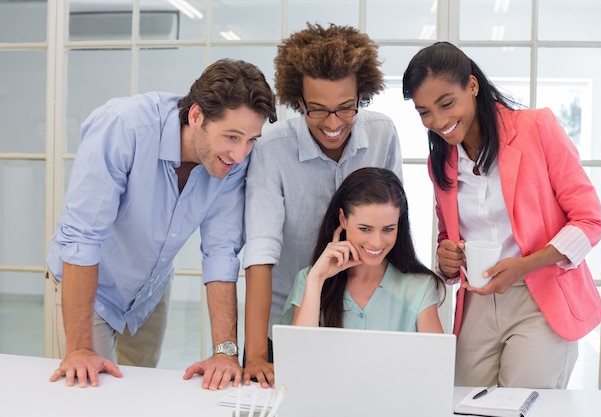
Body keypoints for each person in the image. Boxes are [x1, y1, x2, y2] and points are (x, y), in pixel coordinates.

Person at [46, 59, 277, 389]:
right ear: (196, 116)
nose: (240, 155)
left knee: (141, 391)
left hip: (149, 291)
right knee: (90, 392)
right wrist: (80, 348)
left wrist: (225, 353)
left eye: (251, 139)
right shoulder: (124, 127)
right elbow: (82, 237)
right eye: (232, 137)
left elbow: (221, 251)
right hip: (92, 286)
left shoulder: (235, 160)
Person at [402, 41, 601, 389]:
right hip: (477, 301)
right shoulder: (442, 163)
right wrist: (446, 258)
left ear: (472, 86)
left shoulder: (536, 128)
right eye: (424, 113)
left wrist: (524, 266)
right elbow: (447, 237)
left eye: (446, 104)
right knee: (464, 401)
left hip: (539, 295)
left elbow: (589, 221)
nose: (438, 122)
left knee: (522, 405)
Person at [242, 22, 403, 387]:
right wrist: (254, 355)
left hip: (363, 322)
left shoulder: (383, 133)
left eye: (346, 108)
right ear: (297, 101)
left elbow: (393, 224)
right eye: (317, 110)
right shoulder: (271, 148)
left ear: (362, 94)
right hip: (288, 321)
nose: (333, 124)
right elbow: (260, 253)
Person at [281, 167, 445, 333]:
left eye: (388, 229)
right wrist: (317, 279)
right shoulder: (309, 279)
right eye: (365, 229)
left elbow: (436, 358)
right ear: (343, 219)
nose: (376, 242)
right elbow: (301, 355)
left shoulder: (420, 287)